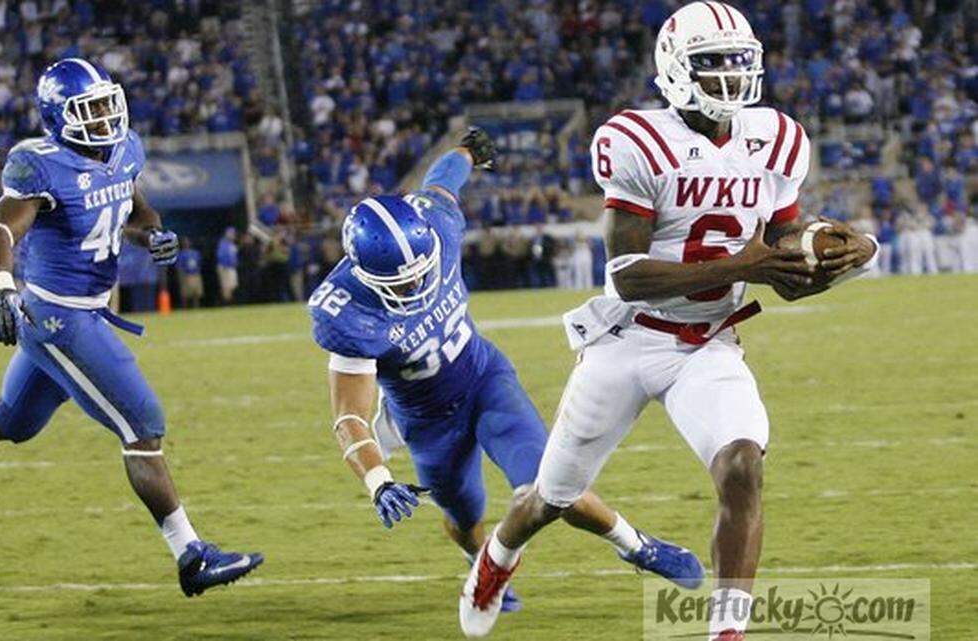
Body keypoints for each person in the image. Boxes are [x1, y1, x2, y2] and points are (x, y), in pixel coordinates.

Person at [459, 5, 881, 640]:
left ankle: (727, 631)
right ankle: (497, 557)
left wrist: (849, 251)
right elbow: (629, 273)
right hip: (628, 339)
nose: (731, 76)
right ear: (675, 68)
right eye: (713, 63)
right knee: (552, 498)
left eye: (740, 61)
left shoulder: (777, 137)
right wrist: (750, 266)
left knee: (742, 465)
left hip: (710, 343)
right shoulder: (635, 139)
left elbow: (786, 237)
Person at [310, 129, 702, 619]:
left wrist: (469, 150)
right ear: (362, 271)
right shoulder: (347, 313)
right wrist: (379, 481)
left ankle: (635, 544)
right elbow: (349, 416)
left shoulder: (439, 223)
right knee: (463, 516)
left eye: (419, 270)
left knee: (549, 485)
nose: (414, 282)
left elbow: (443, 180)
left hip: (484, 380)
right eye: (400, 279)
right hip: (427, 422)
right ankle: (482, 564)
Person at [0, 58, 262, 596]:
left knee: (13, 421)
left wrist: (153, 235)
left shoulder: (124, 149)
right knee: (143, 425)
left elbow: (134, 212)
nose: (105, 117)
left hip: (83, 309)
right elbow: (1, 228)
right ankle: (191, 555)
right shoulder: (39, 164)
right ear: (57, 117)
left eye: (107, 103)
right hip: (58, 317)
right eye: (89, 110)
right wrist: (1, 286)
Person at [176, 237, 203, 308]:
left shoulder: (195, 253)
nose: (186, 243)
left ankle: (196, 307)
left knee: (196, 293)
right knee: (185, 294)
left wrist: (198, 272)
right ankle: (185, 308)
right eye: (184, 242)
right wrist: (181, 277)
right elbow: (179, 267)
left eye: (187, 241)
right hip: (186, 275)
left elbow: (199, 263)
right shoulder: (181, 254)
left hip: (195, 274)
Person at [216, 226, 238, 304]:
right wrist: (225, 266)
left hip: (231, 267)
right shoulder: (223, 243)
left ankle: (228, 302)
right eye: (231, 233)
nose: (233, 235)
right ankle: (226, 303)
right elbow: (220, 256)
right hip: (225, 267)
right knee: (226, 286)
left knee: (232, 286)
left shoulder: (232, 244)